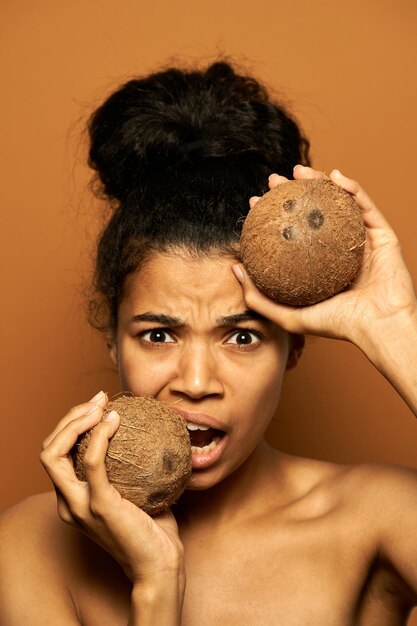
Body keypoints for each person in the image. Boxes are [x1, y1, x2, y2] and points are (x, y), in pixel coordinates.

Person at [1, 60, 416, 626]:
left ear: (295, 345)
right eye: (159, 334)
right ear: (113, 341)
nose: (195, 383)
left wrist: (394, 327)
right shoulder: (31, 547)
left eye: (242, 335)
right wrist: (157, 585)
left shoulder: (379, 519)